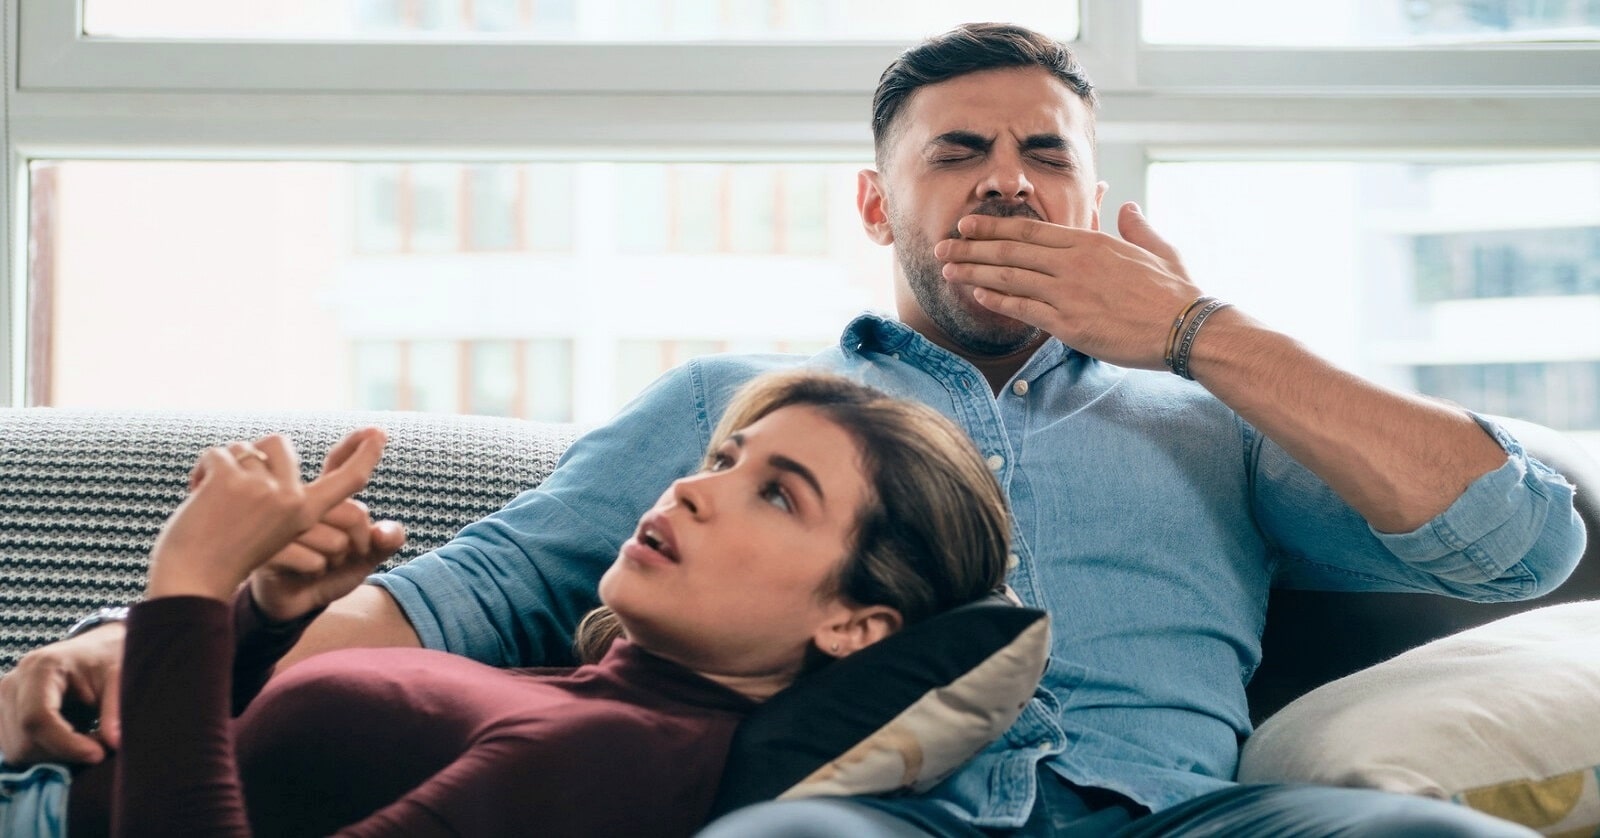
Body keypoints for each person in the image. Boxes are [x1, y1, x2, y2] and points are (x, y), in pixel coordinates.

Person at [1, 21, 1585, 838]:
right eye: (957, 152)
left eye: (1046, 154)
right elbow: (456, 595)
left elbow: (1521, 539)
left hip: (1174, 815)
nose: (1007, 181)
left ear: (1101, 196)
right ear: (874, 198)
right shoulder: (727, 410)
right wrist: (140, 654)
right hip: (858, 814)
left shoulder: (1209, 412)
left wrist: (1197, 332)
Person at [46, 370, 1011, 836]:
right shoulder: (603, 696)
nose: (692, 489)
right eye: (723, 459)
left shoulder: (618, 755)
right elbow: (251, 778)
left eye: (777, 492)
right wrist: (266, 617)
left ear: (852, 623)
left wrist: (188, 588)